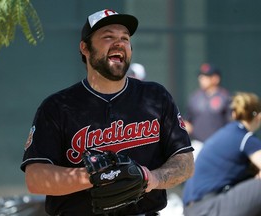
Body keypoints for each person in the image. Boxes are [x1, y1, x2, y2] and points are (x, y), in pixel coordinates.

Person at [20, 9, 194, 216]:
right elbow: (35, 178)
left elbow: (184, 162)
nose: (119, 43)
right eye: (108, 37)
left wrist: (150, 178)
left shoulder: (155, 96)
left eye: (125, 38)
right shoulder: (58, 107)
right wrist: (97, 176)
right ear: (85, 48)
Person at [182, 92, 261, 216]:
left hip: (193, 208)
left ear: (234, 114)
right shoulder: (244, 137)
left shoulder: (226, 132)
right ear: (259, 117)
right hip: (209, 207)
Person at [184, 63, 231, 159]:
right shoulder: (195, 97)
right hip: (198, 144)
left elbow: (231, 123)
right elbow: (188, 120)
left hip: (219, 146)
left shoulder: (225, 97)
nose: (201, 79)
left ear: (216, 78)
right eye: (201, 76)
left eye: (206, 76)